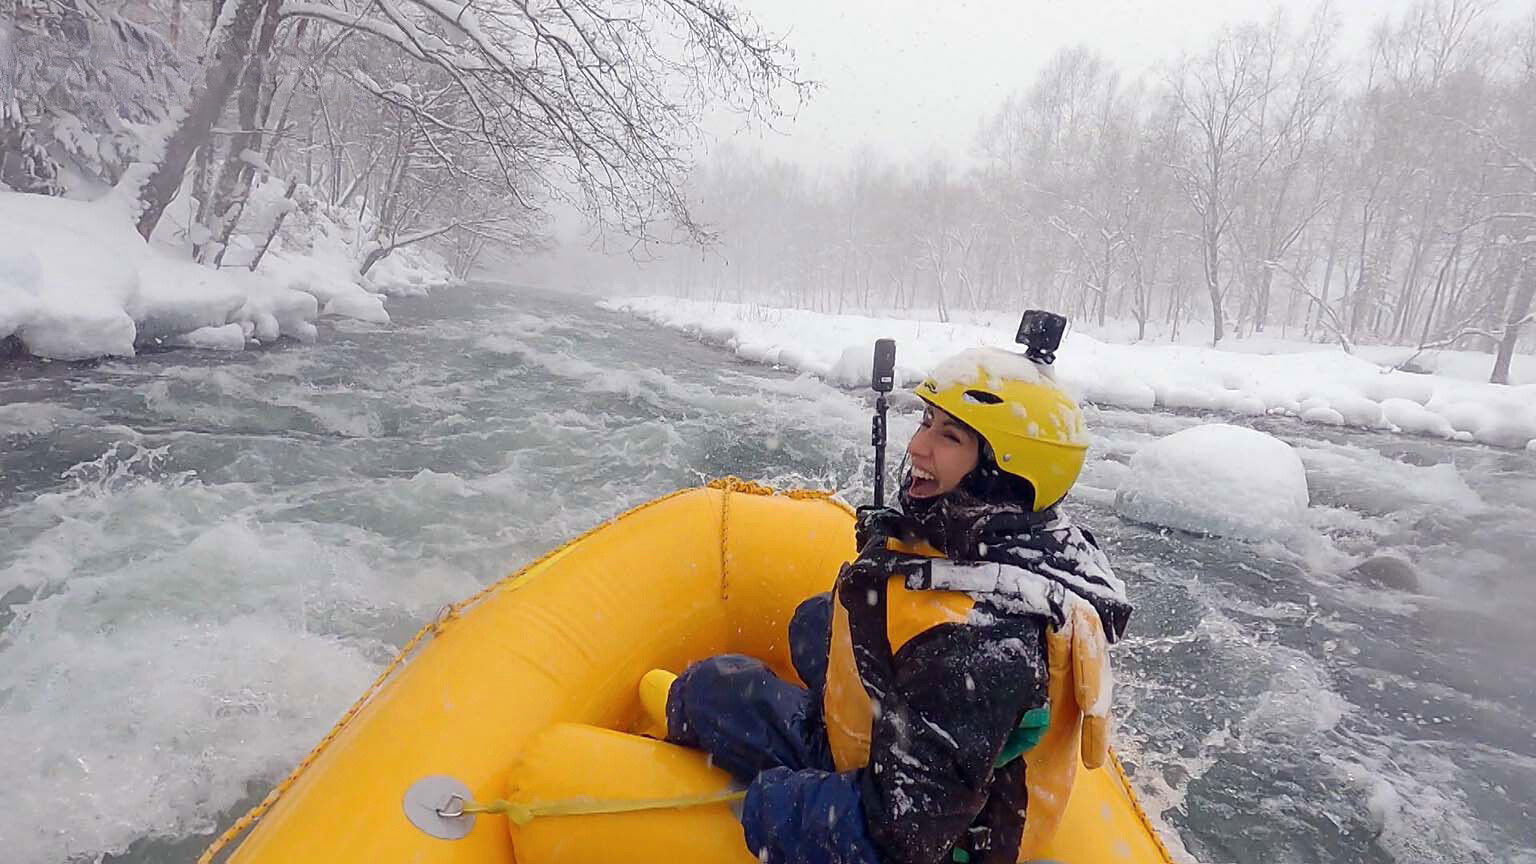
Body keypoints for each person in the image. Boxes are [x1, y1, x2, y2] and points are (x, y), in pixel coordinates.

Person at [640, 345, 1132, 864]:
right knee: (812, 621)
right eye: (926, 422)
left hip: (916, 807)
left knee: (713, 688)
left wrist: (769, 804)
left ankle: (673, 716)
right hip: (920, 726)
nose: (918, 446)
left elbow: (899, 841)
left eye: (949, 437)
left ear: (1000, 473)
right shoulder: (1038, 543)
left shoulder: (974, 649)